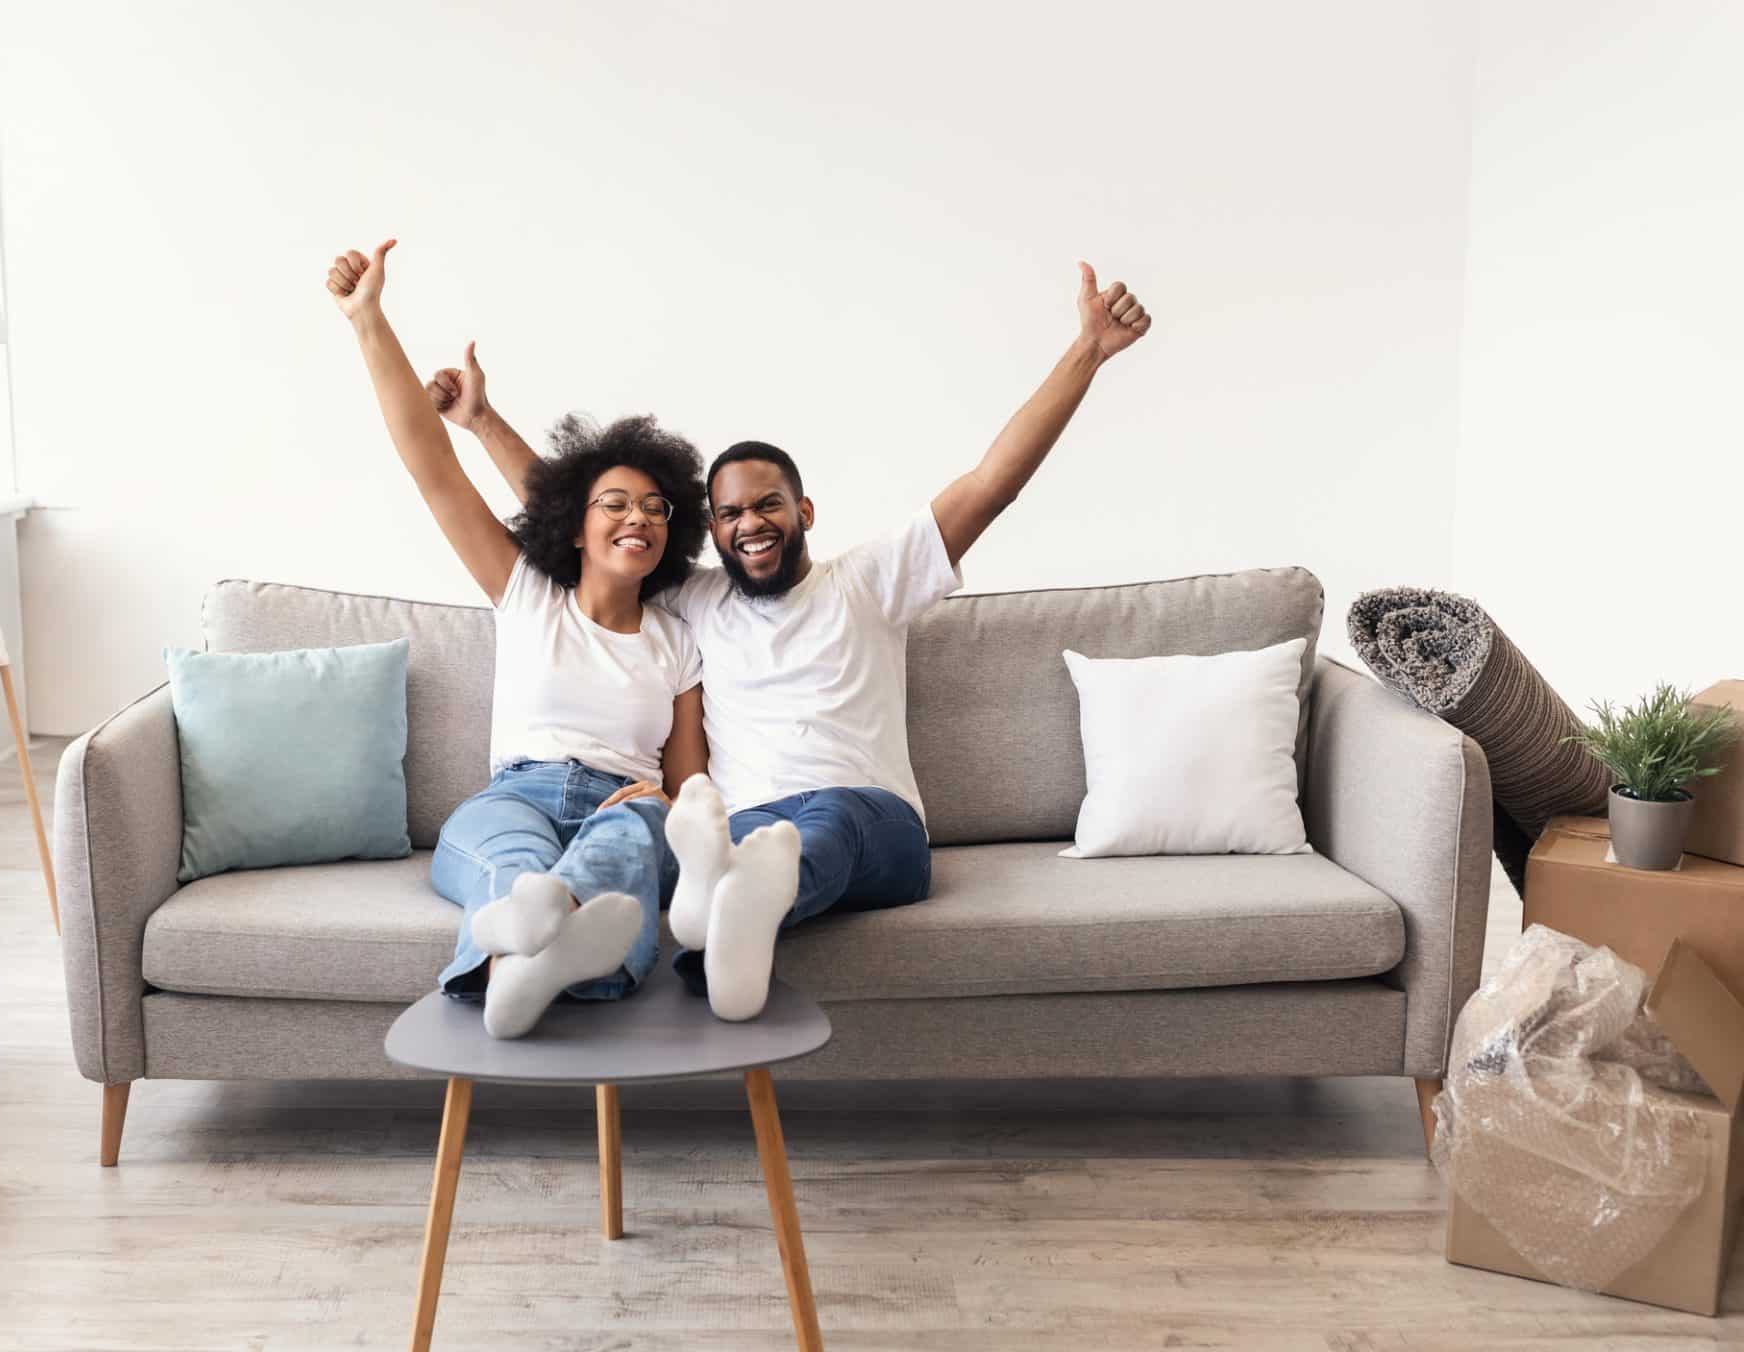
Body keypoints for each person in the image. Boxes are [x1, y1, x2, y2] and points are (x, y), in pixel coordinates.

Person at [429, 261, 1154, 1021]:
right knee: (719, 839)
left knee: (824, 823)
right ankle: (725, 927)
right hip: (737, 832)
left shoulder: (869, 580)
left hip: (870, 823)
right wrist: (483, 423)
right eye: (730, 513)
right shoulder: (694, 601)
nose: (750, 524)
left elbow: (990, 485)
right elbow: (594, 519)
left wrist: (1089, 351)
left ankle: (738, 906)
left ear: (804, 509)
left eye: (768, 505)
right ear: (711, 530)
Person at [327, 238, 728, 1039]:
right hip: (516, 794)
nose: (638, 519)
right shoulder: (528, 593)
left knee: (632, 837)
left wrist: (659, 798)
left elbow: (687, 787)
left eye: (655, 509)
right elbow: (430, 463)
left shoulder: (677, 642)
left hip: (620, 800)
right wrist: (369, 321)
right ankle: (529, 946)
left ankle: (526, 960)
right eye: (615, 503)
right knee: (505, 857)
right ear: (573, 527)